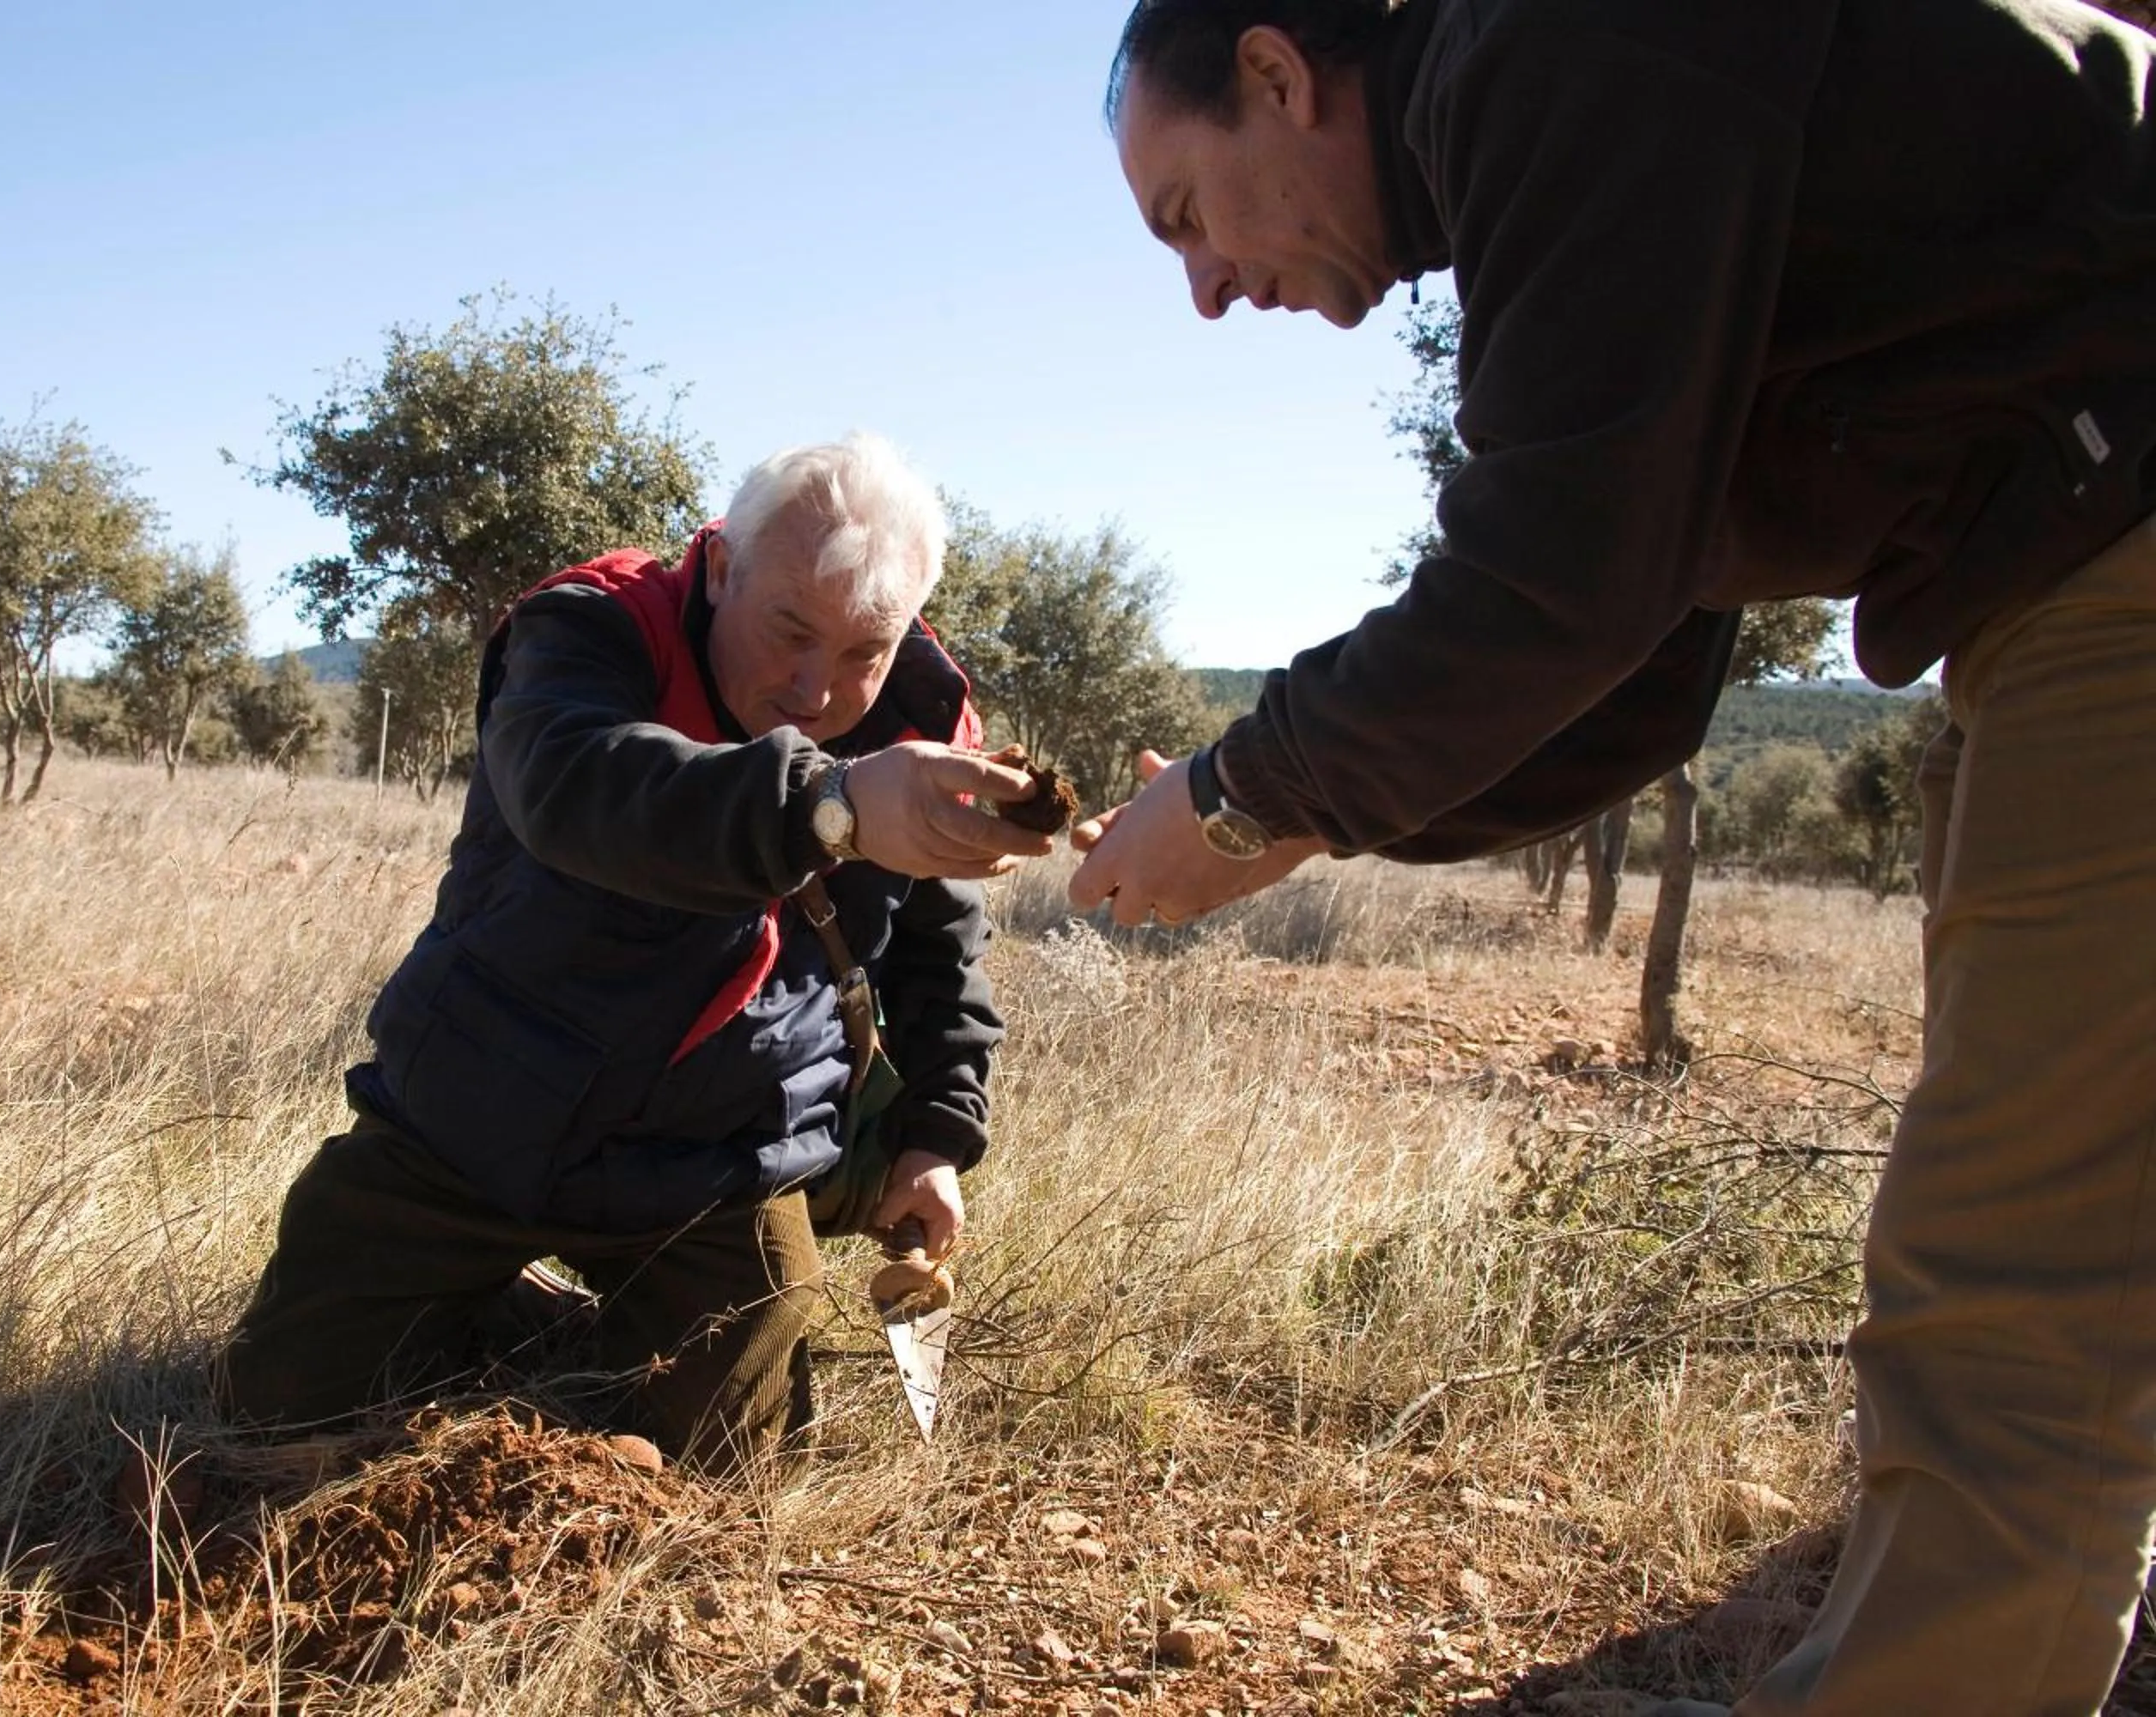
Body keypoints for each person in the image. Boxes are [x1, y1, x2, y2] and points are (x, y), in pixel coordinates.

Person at [1079, 0, 2156, 1711]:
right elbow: (1635, 678)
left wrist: (1241, 792)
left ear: (1278, 75)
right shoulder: (1567, 116)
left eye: (1187, 215)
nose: (1205, 290)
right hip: (2066, 562)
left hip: (2122, 549)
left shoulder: (1550, 45)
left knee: (2009, 1296)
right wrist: (1292, 817)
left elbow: (1556, 582)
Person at [214, 433, 1049, 1473]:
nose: (813, 688)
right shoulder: (593, 628)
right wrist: (829, 807)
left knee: (719, 1463)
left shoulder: (924, 727)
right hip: (472, 1121)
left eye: (860, 654)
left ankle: (568, 1337)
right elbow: (581, 789)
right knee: (273, 1407)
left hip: (718, 1160)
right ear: (721, 568)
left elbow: (939, 956)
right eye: (790, 630)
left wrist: (934, 1137)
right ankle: (491, 1306)